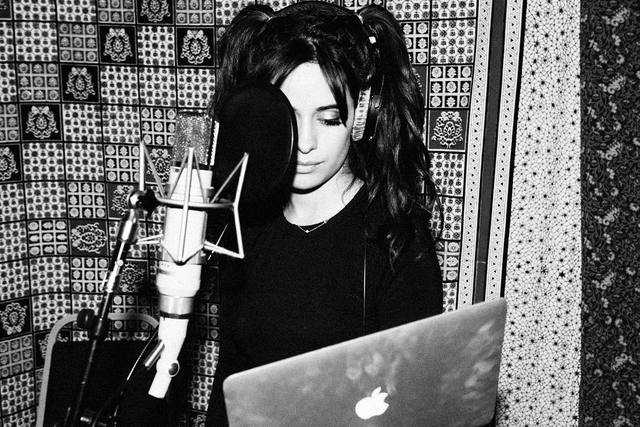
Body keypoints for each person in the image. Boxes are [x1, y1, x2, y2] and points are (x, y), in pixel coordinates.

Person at [206, 2, 443, 425]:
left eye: (329, 118)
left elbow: (413, 402)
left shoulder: (397, 238)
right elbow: (231, 383)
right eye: (289, 118)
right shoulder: (243, 225)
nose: (306, 143)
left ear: (362, 114)